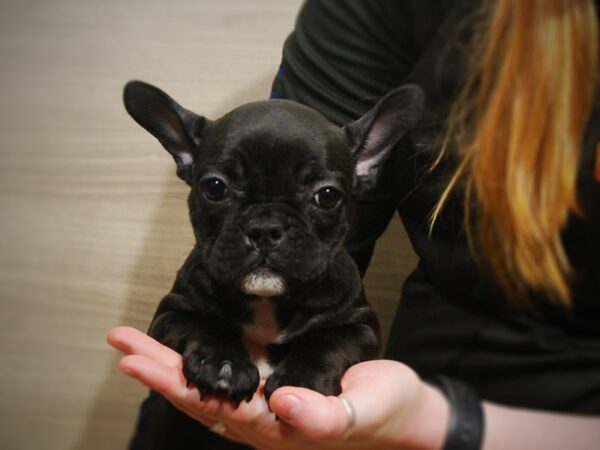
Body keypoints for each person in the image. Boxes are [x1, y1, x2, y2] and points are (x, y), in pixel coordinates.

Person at [108, 0, 600, 448]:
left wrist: (434, 421)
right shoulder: (377, 15)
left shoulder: (339, 295)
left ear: (366, 165)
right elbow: (175, 324)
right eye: (217, 190)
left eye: (322, 198)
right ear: (185, 159)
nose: (265, 231)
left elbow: (353, 332)